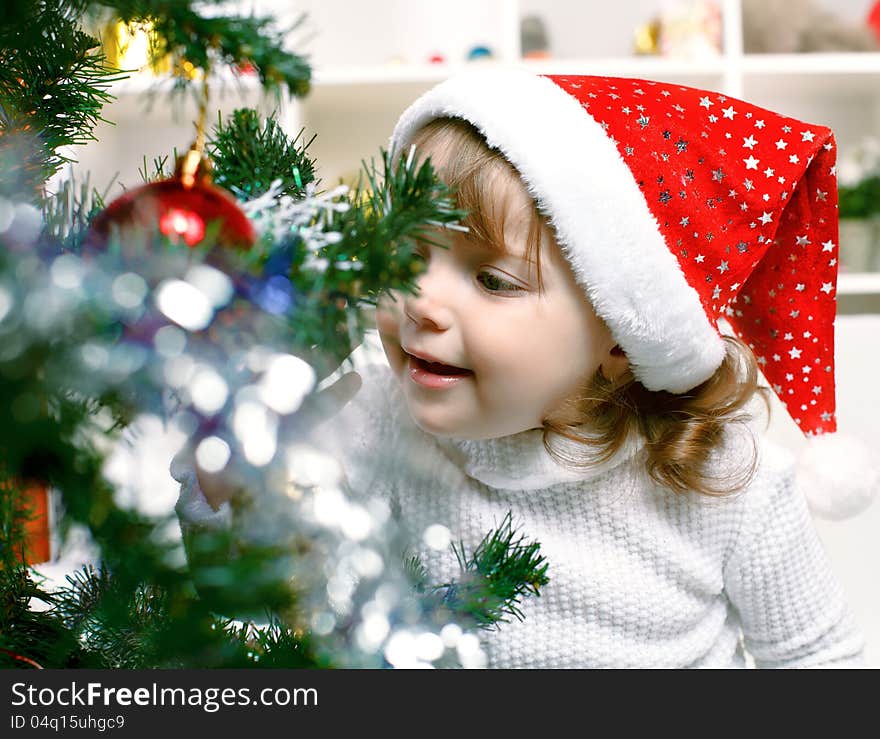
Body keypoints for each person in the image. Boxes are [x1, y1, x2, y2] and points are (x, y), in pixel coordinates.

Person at [175, 68, 871, 668]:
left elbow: (819, 658)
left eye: (493, 281)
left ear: (623, 335)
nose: (419, 301)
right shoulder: (375, 416)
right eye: (407, 254)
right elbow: (260, 596)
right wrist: (228, 467)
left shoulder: (726, 477)